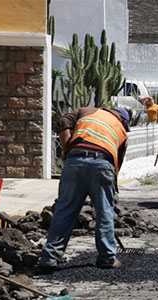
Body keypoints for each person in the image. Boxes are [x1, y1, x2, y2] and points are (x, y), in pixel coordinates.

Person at [39, 106, 130, 272]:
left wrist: (67, 153)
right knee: (105, 214)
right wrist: (103, 195)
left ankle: (50, 258)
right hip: (103, 165)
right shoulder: (122, 132)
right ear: (123, 120)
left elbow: (63, 121)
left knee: (65, 211)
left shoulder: (87, 111)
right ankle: (107, 258)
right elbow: (116, 165)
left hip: (75, 162)